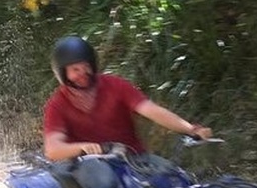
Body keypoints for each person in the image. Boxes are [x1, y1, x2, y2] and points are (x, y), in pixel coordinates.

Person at [42, 36, 212, 162]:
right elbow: (53, 149)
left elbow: (151, 110)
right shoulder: (57, 105)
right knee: (103, 184)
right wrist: (82, 147)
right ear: (63, 74)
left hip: (133, 161)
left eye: (86, 66)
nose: (82, 73)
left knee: (170, 177)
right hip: (88, 170)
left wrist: (191, 129)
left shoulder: (115, 85)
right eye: (75, 69)